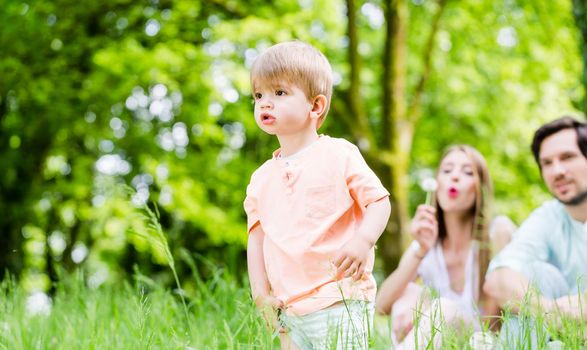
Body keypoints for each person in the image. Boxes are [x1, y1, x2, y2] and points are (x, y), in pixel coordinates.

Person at [243, 41, 391, 350]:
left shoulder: (338, 154)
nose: (265, 103)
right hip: (289, 309)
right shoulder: (260, 179)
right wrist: (261, 294)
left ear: (315, 106)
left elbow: (378, 201)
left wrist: (363, 241)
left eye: (279, 93)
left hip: (339, 298)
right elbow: (257, 240)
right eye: (259, 95)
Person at [375, 145, 513, 349]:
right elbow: (381, 306)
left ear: (480, 187)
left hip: (483, 340)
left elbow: (495, 323)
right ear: (437, 184)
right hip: (434, 342)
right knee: (409, 293)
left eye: (467, 172)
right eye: (447, 170)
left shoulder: (497, 232)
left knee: (444, 309)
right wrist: (420, 251)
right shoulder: (426, 244)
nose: (454, 177)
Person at [483, 116, 587, 347]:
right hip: (564, 333)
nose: (557, 171)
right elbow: (497, 278)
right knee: (532, 274)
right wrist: (550, 313)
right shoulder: (548, 216)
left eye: (567, 157)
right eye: (547, 163)